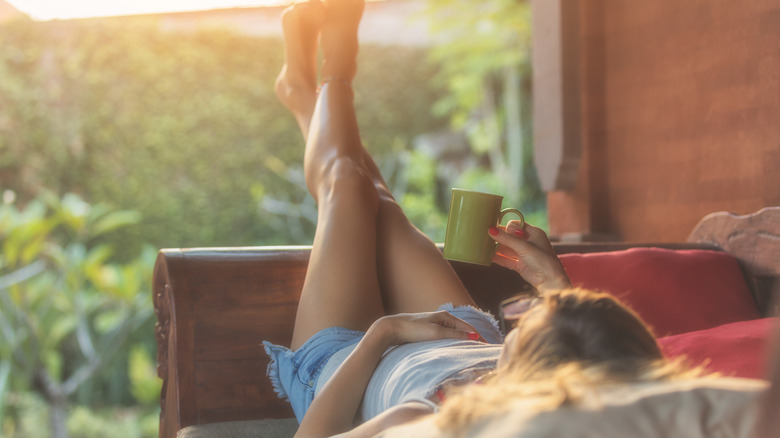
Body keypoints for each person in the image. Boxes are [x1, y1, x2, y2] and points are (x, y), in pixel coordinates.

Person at [262, 1, 750, 437]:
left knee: (348, 183)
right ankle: (307, 96)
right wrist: (553, 280)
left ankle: (334, 75)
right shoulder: (587, 387)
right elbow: (600, 362)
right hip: (461, 333)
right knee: (379, 203)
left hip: (349, 365)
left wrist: (384, 333)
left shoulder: (444, 419)